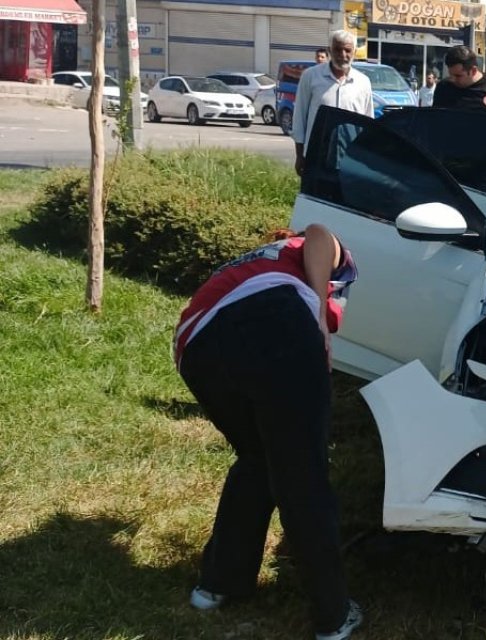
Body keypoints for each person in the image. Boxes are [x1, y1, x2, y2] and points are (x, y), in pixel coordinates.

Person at [174, 224, 364, 640]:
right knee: (303, 474)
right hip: (274, 319)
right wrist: (317, 305)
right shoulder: (302, 253)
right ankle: (333, 616)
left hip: (196, 345)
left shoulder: (255, 260)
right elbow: (320, 234)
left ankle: (218, 585)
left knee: (260, 458)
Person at [292, 30, 374, 177]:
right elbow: (299, 118)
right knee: (314, 198)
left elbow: (368, 123)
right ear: (329, 51)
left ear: (354, 52)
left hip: (350, 158)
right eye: (337, 49)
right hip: (316, 155)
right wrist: (299, 155)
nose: (343, 55)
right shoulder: (311, 76)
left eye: (347, 50)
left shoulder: (363, 82)